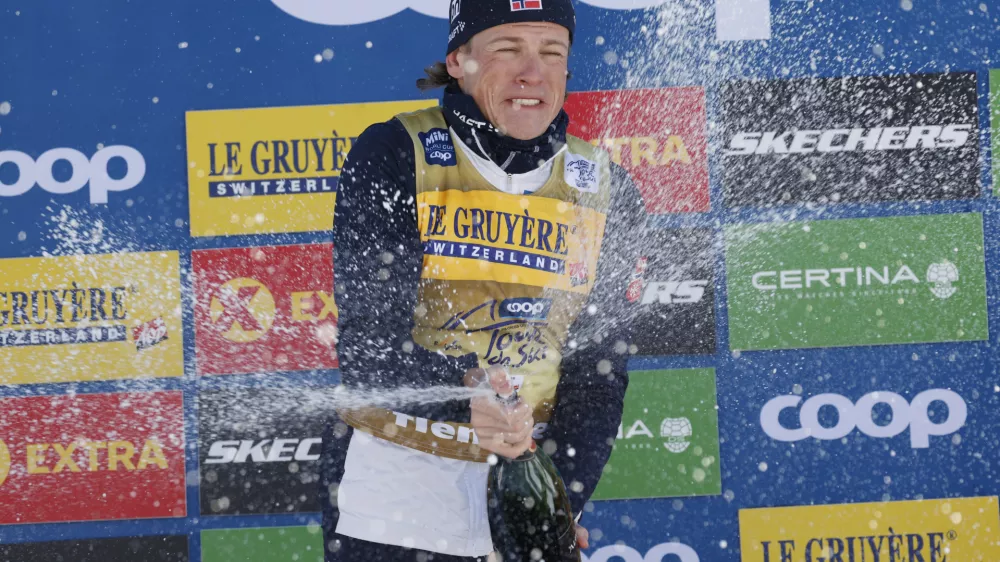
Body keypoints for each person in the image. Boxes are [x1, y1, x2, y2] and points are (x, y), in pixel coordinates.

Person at [320, 0, 646, 560]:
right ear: (458, 61)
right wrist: (465, 398)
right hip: (398, 505)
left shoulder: (608, 189)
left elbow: (598, 379)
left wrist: (556, 505)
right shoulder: (396, 152)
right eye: (507, 49)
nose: (533, 73)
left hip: (522, 509)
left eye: (552, 52)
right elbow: (370, 347)